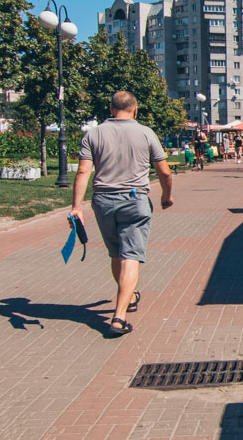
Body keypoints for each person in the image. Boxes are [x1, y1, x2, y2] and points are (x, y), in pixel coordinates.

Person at [71, 90, 173, 336]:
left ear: (111, 109)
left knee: (116, 253)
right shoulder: (146, 133)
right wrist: (166, 196)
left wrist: (76, 207)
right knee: (131, 256)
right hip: (134, 200)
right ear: (135, 109)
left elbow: (83, 171)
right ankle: (119, 317)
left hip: (103, 201)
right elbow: (165, 171)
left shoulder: (93, 134)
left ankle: (130, 295)